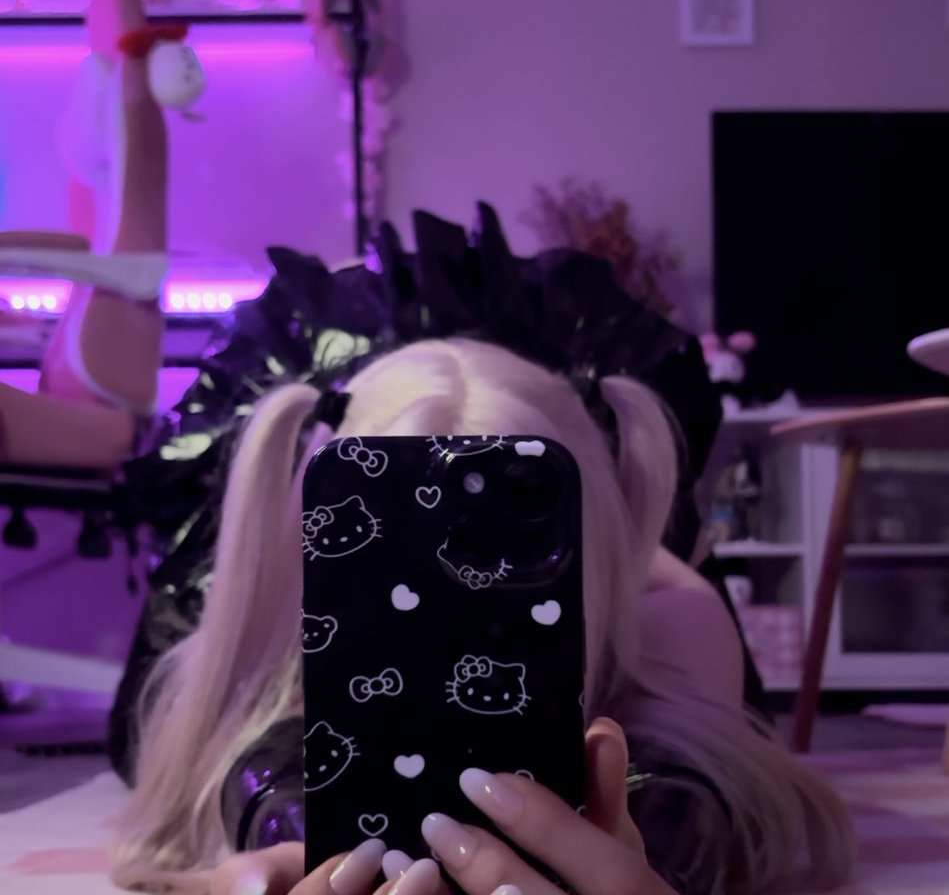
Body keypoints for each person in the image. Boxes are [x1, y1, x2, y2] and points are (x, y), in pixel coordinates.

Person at [109, 209, 853, 894]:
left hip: (620, 571)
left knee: (672, 663)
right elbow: (234, 760)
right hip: (304, 568)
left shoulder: (671, 611)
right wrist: (285, 838)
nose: (449, 614)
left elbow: (714, 781)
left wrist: (655, 850)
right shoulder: (252, 614)